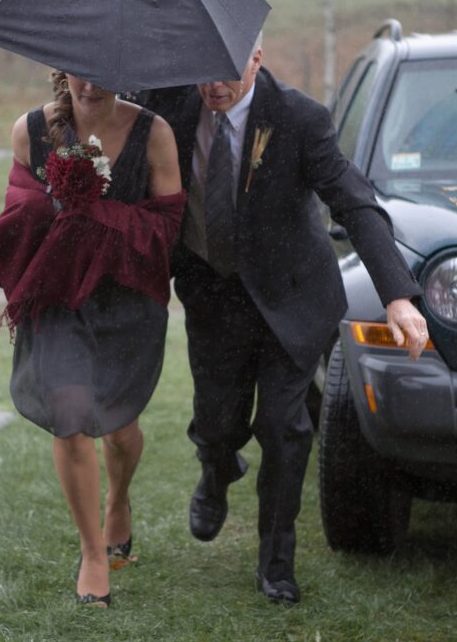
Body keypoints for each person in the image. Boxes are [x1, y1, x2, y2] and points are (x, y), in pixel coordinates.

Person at [139, 33, 429, 604]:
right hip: (213, 292)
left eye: (228, 72)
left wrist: (397, 294)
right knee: (218, 420)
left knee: (283, 426)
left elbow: (354, 202)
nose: (213, 86)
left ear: (258, 58)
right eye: (203, 71)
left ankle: (276, 561)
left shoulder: (299, 117)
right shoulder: (167, 103)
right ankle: (218, 469)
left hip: (292, 298)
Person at [0, 71, 184, 608]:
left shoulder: (155, 134)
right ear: (62, 71)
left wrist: (95, 210)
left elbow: (166, 231)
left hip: (126, 301)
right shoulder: (30, 131)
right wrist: (58, 197)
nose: (92, 83)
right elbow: (21, 214)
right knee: (72, 417)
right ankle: (93, 554)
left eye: (106, 73)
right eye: (81, 70)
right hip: (58, 298)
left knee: (120, 433)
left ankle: (118, 502)